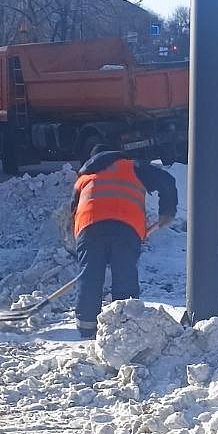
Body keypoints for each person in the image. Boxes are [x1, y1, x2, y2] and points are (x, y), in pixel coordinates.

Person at [70, 145, 178, 340]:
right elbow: (166, 180)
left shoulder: (83, 178)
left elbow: (73, 211)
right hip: (125, 227)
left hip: (89, 228)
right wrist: (167, 212)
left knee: (90, 276)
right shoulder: (132, 166)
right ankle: (124, 326)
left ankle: (87, 329)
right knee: (124, 274)